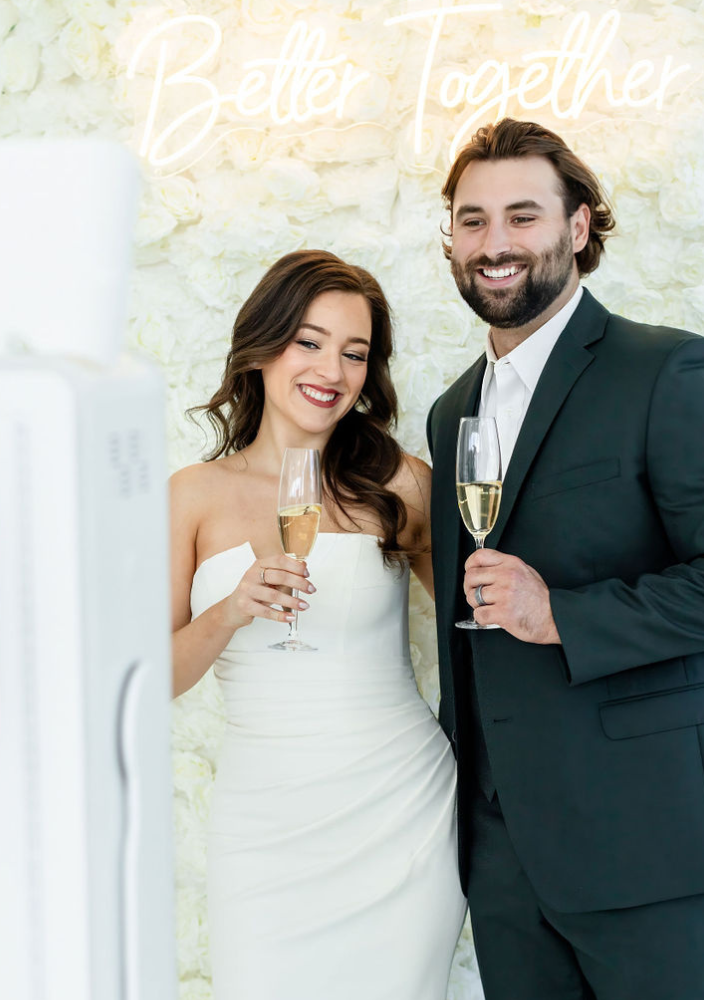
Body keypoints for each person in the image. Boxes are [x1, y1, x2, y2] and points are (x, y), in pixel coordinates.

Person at [426, 117, 704, 1000]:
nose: (494, 244)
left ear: (579, 228)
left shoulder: (668, 371)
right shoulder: (450, 413)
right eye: (472, 221)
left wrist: (562, 615)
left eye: (522, 216)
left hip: (652, 839)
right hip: (506, 858)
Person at [171, 249, 464, 1000]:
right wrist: (233, 608)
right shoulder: (192, 495)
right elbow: (153, 676)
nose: (331, 368)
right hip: (265, 821)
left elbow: (479, 621)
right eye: (310, 340)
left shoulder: (400, 481)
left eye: (356, 352)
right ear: (263, 347)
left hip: (400, 809)